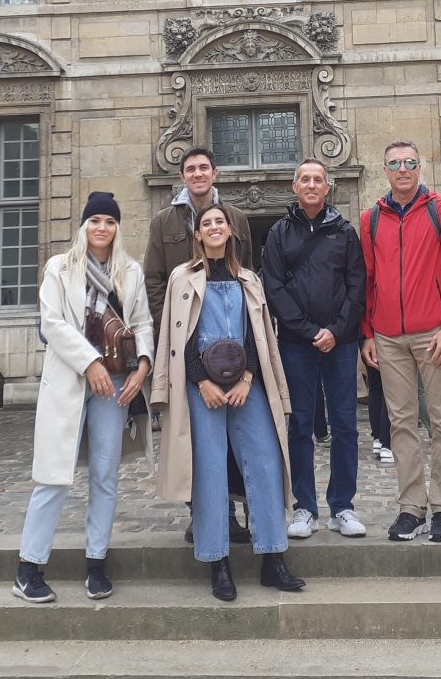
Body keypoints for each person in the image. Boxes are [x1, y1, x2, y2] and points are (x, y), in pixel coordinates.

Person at [151, 204, 304, 602]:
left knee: (265, 462)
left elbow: (260, 336)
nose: (214, 227)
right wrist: (201, 381)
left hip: (246, 387)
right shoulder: (181, 278)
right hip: (202, 390)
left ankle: (273, 558)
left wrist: (248, 377)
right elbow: (176, 336)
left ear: (231, 231)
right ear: (198, 235)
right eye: (207, 224)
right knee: (210, 470)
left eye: (220, 222)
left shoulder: (249, 280)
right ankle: (217, 562)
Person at [13, 192, 153, 604]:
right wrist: (90, 362)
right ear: (84, 226)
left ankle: (96, 562)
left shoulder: (129, 270)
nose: (102, 229)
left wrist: (142, 366)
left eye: (110, 221)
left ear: (117, 227)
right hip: (72, 382)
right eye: (95, 221)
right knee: (54, 475)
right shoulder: (59, 268)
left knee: (105, 476)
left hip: (115, 386)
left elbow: (142, 322)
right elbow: (52, 323)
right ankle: (28, 566)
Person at [360, 140, 441, 543]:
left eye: (409, 162)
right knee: (401, 423)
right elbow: (368, 281)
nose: (402, 169)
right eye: (395, 164)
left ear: (419, 167)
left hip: (433, 333)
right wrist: (367, 333)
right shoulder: (370, 218)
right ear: (385, 170)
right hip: (388, 336)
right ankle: (411, 507)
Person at [144, 145, 254, 544]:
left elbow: (245, 276)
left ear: (215, 172)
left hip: (231, 345)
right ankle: (204, 516)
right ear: (183, 176)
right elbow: (154, 280)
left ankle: (231, 515)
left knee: (230, 437)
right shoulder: (163, 221)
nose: (198, 174)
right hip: (187, 346)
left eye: (204, 167)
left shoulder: (237, 218)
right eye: (190, 169)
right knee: (193, 435)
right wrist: (171, 329)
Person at [261, 157, 368, 539]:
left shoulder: (345, 232)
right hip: (296, 344)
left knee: (344, 426)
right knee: (300, 425)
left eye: (317, 179)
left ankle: (343, 505)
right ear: (295, 187)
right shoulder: (278, 233)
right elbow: (273, 288)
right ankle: (304, 506)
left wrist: (336, 331)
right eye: (304, 179)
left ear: (327, 187)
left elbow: (358, 287)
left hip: (340, 345)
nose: (310, 185)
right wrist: (308, 331)